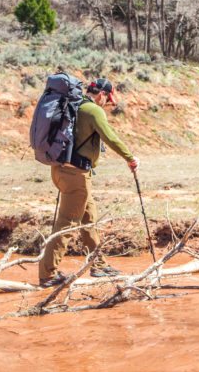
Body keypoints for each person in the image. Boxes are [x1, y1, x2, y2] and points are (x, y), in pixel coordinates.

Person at [39, 78, 139, 286]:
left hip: (61, 170)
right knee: (66, 224)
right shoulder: (93, 110)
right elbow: (110, 137)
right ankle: (47, 274)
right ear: (102, 94)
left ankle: (98, 265)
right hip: (75, 175)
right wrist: (130, 158)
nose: (107, 104)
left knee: (89, 218)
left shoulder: (74, 105)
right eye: (107, 99)